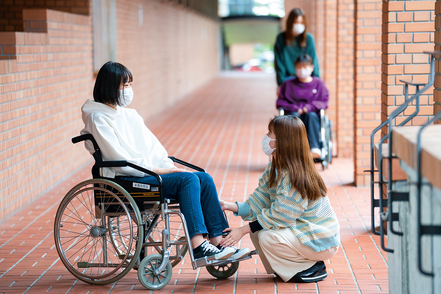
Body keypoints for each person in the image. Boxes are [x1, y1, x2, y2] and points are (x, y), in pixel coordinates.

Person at [80, 61, 250, 262]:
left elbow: (153, 147)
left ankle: (219, 244)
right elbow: (118, 159)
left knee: (203, 178)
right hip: (125, 179)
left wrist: (168, 167)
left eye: (129, 85)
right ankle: (199, 247)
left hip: (148, 173)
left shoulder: (130, 115)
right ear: (109, 86)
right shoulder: (97, 117)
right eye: (124, 85)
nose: (128, 90)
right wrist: (160, 170)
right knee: (187, 180)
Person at [219, 115, 340, 283]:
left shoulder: (297, 177)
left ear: (283, 141)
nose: (266, 137)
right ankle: (294, 266)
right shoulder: (275, 168)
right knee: (258, 229)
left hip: (320, 239)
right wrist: (228, 206)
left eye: (270, 134)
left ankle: (312, 267)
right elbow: (258, 202)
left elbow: (280, 215)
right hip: (302, 231)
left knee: (266, 236)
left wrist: (242, 230)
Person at [276, 53, 329, 158]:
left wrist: (308, 108)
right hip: (293, 116)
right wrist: (296, 108)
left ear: (311, 68)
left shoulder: (319, 84)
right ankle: (292, 149)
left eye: (305, 67)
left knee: (311, 116)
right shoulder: (288, 84)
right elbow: (280, 102)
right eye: (299, 67)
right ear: (295, 68)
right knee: (294, 117)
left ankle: (314, 148)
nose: (302, 70)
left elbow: (324, 101)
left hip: (312, 117)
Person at [274, 8, 320, 94]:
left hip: (305, 78)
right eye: (296, 22)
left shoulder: (308, 39)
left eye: (301, 23)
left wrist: (316, 80)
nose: (299, 25)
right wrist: (281, 84)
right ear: (290, 23)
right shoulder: (281, 38)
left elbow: (313, 59)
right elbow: (279, 63)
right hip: (288, 79)